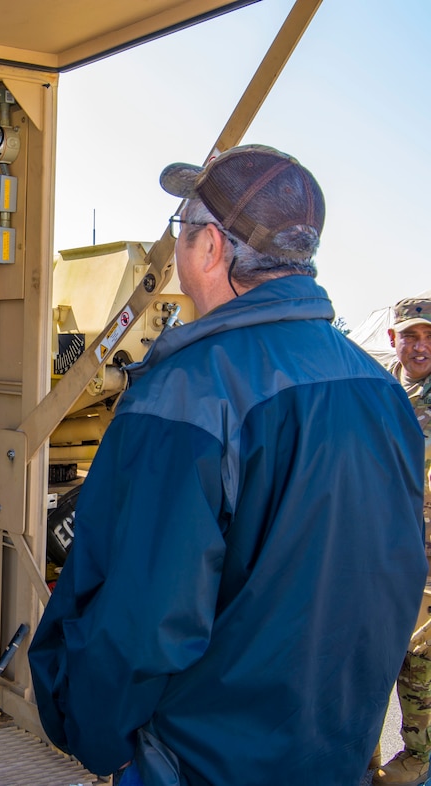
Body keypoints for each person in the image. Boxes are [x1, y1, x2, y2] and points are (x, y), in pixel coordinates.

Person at [28, 144, 427, 786]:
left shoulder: (188, 391)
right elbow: (392, 577)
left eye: (180, 230)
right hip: (334, 752)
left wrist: (101, 739)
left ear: (209, 246)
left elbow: (139, 615)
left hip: (196, 760)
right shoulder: (377, 389)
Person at [373, 293, 431, 786]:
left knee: (418, 662)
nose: (420, 346)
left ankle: (418, 755)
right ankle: (360, 754)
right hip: (373, 551)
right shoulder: (375, 392)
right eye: (410, 335)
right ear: (393, 339)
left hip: (427, 558)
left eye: (430, 336)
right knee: (365, 656)